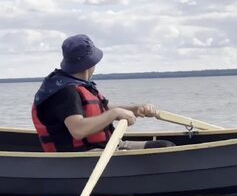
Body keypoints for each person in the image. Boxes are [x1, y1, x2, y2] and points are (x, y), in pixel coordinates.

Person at [32, 34, 174, 152]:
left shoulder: (79, 85)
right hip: (85, 155)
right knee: (166, 151)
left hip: (106, 146)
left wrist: (138, 109)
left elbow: (105, 108)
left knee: (165, 147)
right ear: (91, 64)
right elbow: (78, 130)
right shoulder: (65, 92)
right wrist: (115, 114)